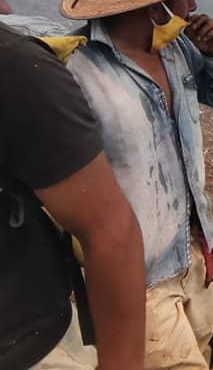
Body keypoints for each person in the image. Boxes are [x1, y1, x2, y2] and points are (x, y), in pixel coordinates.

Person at [53, 0, 213, 370]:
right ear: (148, 4)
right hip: (136, 279)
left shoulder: (176, 48)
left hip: (194, 254)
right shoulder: (78, 72)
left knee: (203, 347)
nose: (192, 5)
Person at [1, 20, 145, 370]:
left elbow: (110, 229)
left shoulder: (18, 69)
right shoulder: (67, 67)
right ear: (152, 9)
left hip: (29, 336)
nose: (191, 8)